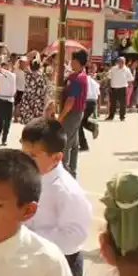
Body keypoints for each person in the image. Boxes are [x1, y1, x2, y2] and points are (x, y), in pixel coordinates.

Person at [21, 118, 93, 276]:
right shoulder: (27, 176)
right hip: (31, 260)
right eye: (23, 153)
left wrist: (29, 239)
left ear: (56, 158)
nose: (25, 160)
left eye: (33, 156)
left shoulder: (66, 191)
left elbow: (74, 235)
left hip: (62, 265)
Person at [57, 50, 89, 179]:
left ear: (77, 61)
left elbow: (71, 101)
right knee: (74, 144)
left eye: (72, 59)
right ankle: (72, 172)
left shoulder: (78, 79)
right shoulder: (75, 76)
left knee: (66, 143)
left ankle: (66, 173)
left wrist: (61, 117)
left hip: (72, 113)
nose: (71, 62)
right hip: (76, 113)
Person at [0, 58, 17, 148]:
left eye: (7, 66)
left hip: (9, 101)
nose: (5, 68)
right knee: (0, 123)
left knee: (7, 122)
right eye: (3, 65)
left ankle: (4, 139)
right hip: (0, 100)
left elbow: (6, 73)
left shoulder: (12, 76)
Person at [16, 55, 49, 125]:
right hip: (38, 101)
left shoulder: (27, 75)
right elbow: (45, 89)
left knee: (28, 121)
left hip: (27, 99)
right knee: (37, 122)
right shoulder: (43, 76)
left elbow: (18, 66)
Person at [79, 67, 101, 152]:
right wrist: (97, 108)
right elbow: (98, 94)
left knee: (78, 125)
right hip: (93, 102)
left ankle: (84, 145)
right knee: (83, 121)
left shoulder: (81, 79)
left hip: (85, 102)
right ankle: (92, 127)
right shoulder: (92, 81)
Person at [106, 56, 134, 121]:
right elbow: (109, 77)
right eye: (120, 61)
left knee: (122, 104)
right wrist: (108, 86)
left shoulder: (127, 69)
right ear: (118, 62)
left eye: (123, 62)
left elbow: (130, 79)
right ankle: (111, 116)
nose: (121, 63)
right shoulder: (113, 68)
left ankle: (122, 117)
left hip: (122, 88)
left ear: (124, 62)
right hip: (113, 88)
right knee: (113, 103)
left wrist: (129, 87)